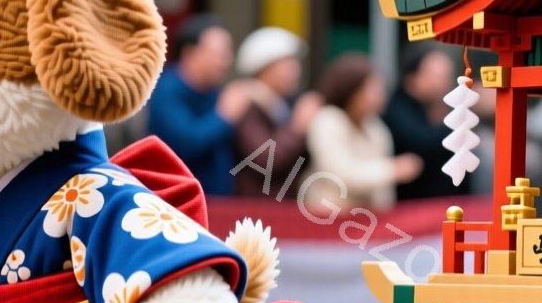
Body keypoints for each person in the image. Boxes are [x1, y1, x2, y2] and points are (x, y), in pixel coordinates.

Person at [304, 53, 421, 213]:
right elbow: (340, 175)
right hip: (327, 222)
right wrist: (393, 169)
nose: (380, 95)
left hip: (367, 225)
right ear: (351, 90)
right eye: (372, 88)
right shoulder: (327, 120)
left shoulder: (376, 127)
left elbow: (383, 192)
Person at [145, 15, 248, 194]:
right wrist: (223, 116)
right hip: (176, 204)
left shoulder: (217, 93)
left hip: (220, 206)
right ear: (190, 53)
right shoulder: (166, 91)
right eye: (219, 54)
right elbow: (187, 143)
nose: (226, 61)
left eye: (227, 53)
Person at [229, 26, 319, 199]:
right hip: (256, 211)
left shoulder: (280, 106)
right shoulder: (247, 106)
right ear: (265, 68)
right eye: (288, 65)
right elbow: (265, 160)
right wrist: (297, 127)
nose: (296, 71)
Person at [382, 45, 469, 200]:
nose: (443, 83)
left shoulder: (437, 108)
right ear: (412, 78)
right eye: (436, 76)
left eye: (447, 76)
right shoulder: (396, 108)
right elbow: (423, 142)